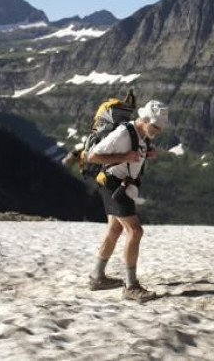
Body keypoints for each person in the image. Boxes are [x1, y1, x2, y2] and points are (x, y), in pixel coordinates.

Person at [86, 99, 168, 303]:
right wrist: (123, 157)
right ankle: (131, 286)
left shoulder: (142, 135)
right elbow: (92, 157)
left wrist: (146, 154)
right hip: (113, 185)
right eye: (155, 126)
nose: (157, 131)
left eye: (160, 128)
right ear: (145, 119)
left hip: (120, 184)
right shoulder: (124, 132)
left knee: (115, 229)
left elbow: (134, 155)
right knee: (135, 231)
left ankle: (97, 277)